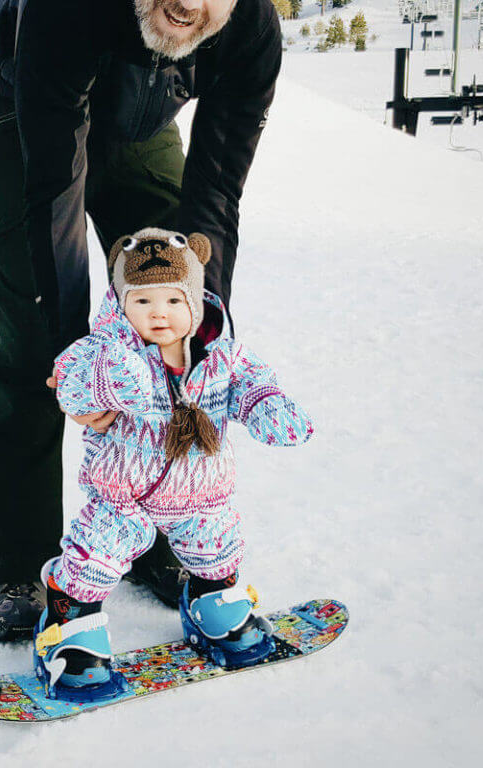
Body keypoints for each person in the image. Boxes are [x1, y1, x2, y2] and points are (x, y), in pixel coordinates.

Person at [0, 0, 284, 640]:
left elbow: (216, 190)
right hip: (29, 109)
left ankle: (158, 528)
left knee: (165, 318)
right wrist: (73, 368)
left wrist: (201, 333)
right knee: (35, 336)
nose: (191, 3)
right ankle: (18, 557)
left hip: (143, 122)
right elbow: (53, 191)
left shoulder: (249, 27)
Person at [32, 228, 313, 696]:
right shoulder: (107, 353)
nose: (158, 312)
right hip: (123, 496)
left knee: (216, 550)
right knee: (93, 559)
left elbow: (254, 384)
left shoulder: (223, 359)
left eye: (173, 301)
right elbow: (72, 382)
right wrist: (114, 375)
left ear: (196, 306)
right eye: (142, 302)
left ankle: (210, 601)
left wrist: (268, 406)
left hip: (202, 493)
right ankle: (67, 623)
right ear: (121, 306)